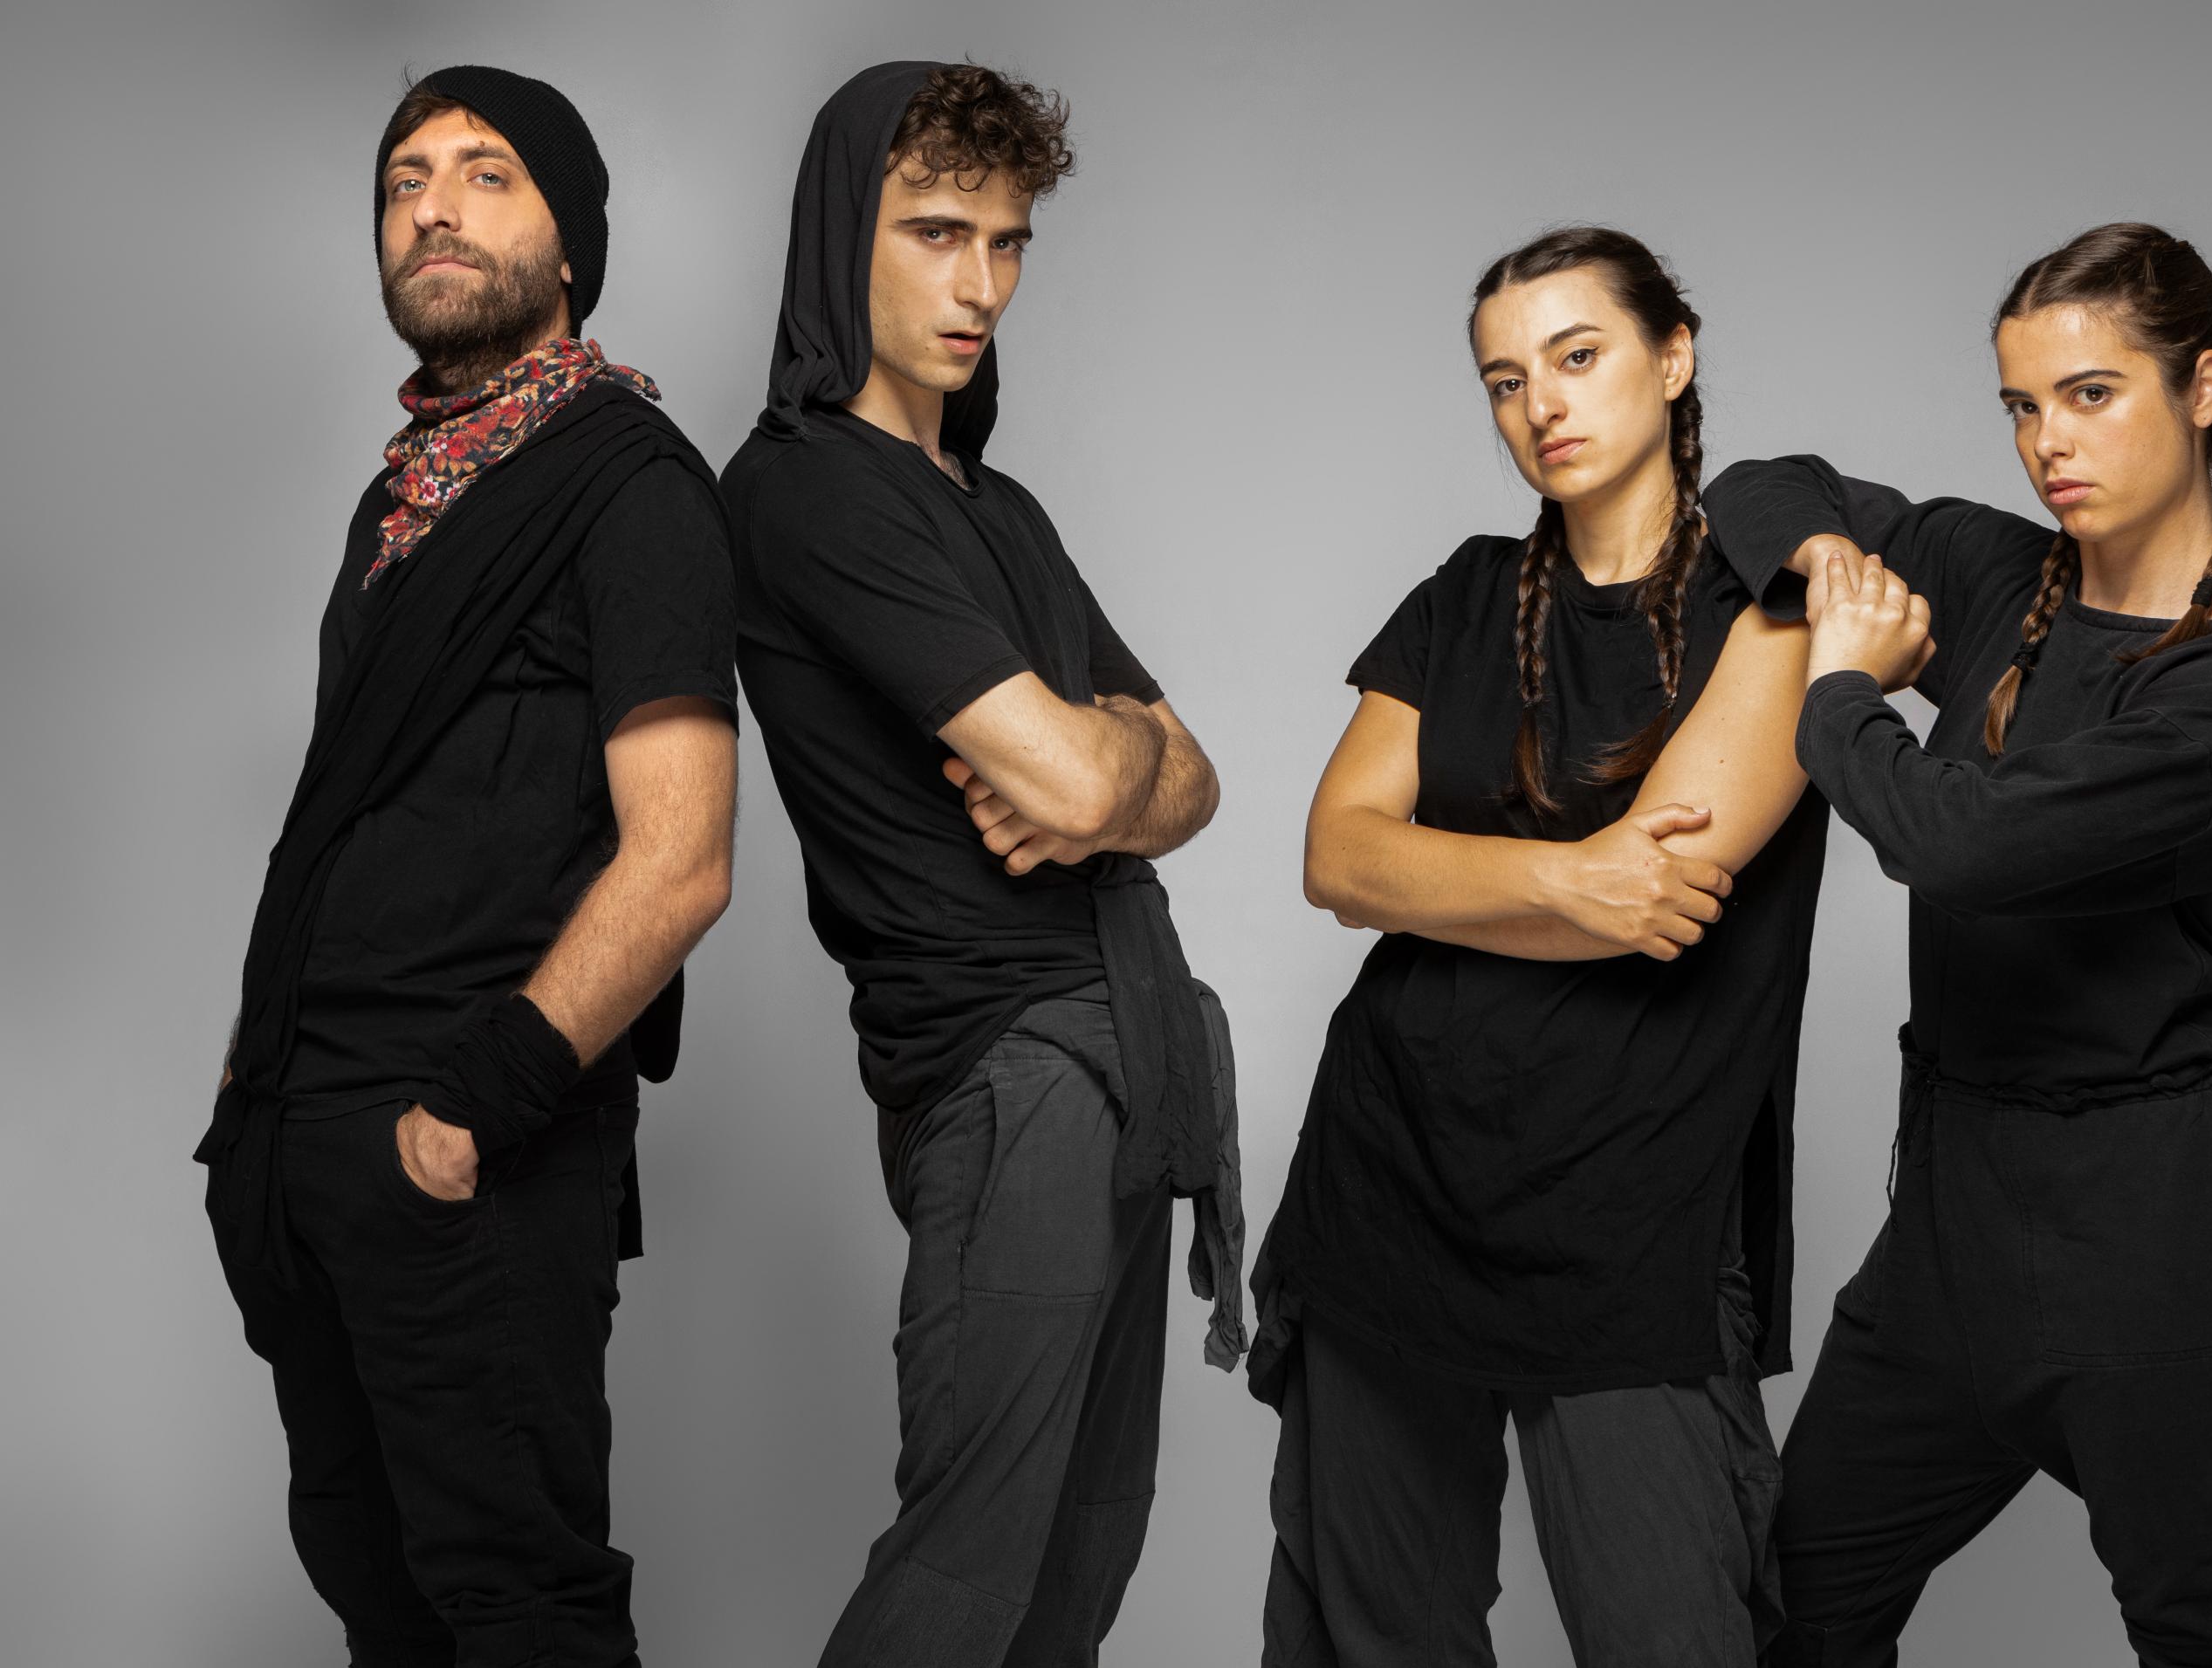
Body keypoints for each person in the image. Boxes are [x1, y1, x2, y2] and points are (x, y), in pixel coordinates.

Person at [1703, 222, 2212, 1665]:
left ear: (2202, 387)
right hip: (1952, 1224)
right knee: (1792, 1608)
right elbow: (1761, 484)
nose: (2049, 441)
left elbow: (1963, 845)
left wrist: (1843, 682)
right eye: (2021, 405)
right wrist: (1829, 563)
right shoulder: (1998, 573)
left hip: (2162, 1235)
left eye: (2090, 394)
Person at [196, 66, 740, 1668]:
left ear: (570, 245)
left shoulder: (631, 487)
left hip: (469, 1145)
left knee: (519, 1611)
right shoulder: (402, 499)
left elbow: (683, 860)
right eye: (404, 179)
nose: (432, 207)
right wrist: (254, 1095)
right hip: (304, 1138)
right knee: (378, 1594)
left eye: (487, 173)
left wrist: (465, 1117)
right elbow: (348, 811)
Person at [721, 60, 1241, 1668]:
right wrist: (1106, 767)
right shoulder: (804, 485)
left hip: (1127, 1054)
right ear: (841, 236)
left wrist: (1109, 774)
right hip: (1007, 1074)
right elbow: (1098, 770)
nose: (981, 286)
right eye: (936, 233)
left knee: (1081, 1560)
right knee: (966, 1575)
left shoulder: (998, 507)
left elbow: (1189, 779)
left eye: (1007, 243)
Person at [1251, 226, 1831, 1667]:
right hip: (1390, 1184)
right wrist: (1568, 880)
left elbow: (1664, 894)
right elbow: (1337, 858)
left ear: (1673, 358)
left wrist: (1454, 881)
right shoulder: (1460, 597)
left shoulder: (1776, 605)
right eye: (1505, 380)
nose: (1541, 405)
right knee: (1373, 1637)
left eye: (1576, 357)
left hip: (1632, 1220)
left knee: (1675, 1633)